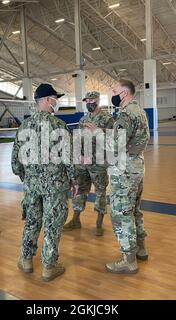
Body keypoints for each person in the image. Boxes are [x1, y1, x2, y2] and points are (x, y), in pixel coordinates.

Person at [11, 83, 79, 282]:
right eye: (55, 98)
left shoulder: (24, 126)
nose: (57, 102)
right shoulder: (59, 126)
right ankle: (49, 266)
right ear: (48, 100)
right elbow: (68, 158)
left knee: (32, 222)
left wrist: (28, 177)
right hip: (55, 187)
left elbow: (15, 162)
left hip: (32, 186)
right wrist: (74, 181)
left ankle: (25, 259)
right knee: (52, 224)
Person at [87, 79, 150, 274]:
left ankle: (128, 259)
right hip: (136, 166)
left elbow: (115, 146)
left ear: (123, 93)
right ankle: (140, 249)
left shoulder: (125, 114)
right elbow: (124, 136)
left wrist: (98, 135)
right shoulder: (138, 111)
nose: (112, 94)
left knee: (121, 213)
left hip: (124, 171)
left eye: (114, 91)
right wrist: (103, 130)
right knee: (134, 211)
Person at [63, 91, 113, 236]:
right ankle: (75, 220)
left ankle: (99, 223)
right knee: (79, 191)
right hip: (83, 162)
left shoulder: (107, 118)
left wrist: (99, 131)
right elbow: (77, 138)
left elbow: (113, 139)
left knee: (100, 192)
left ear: (98, 100)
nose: (89, 102)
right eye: (87, 100)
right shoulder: (83, 119)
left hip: (99, 162)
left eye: (92, 100)